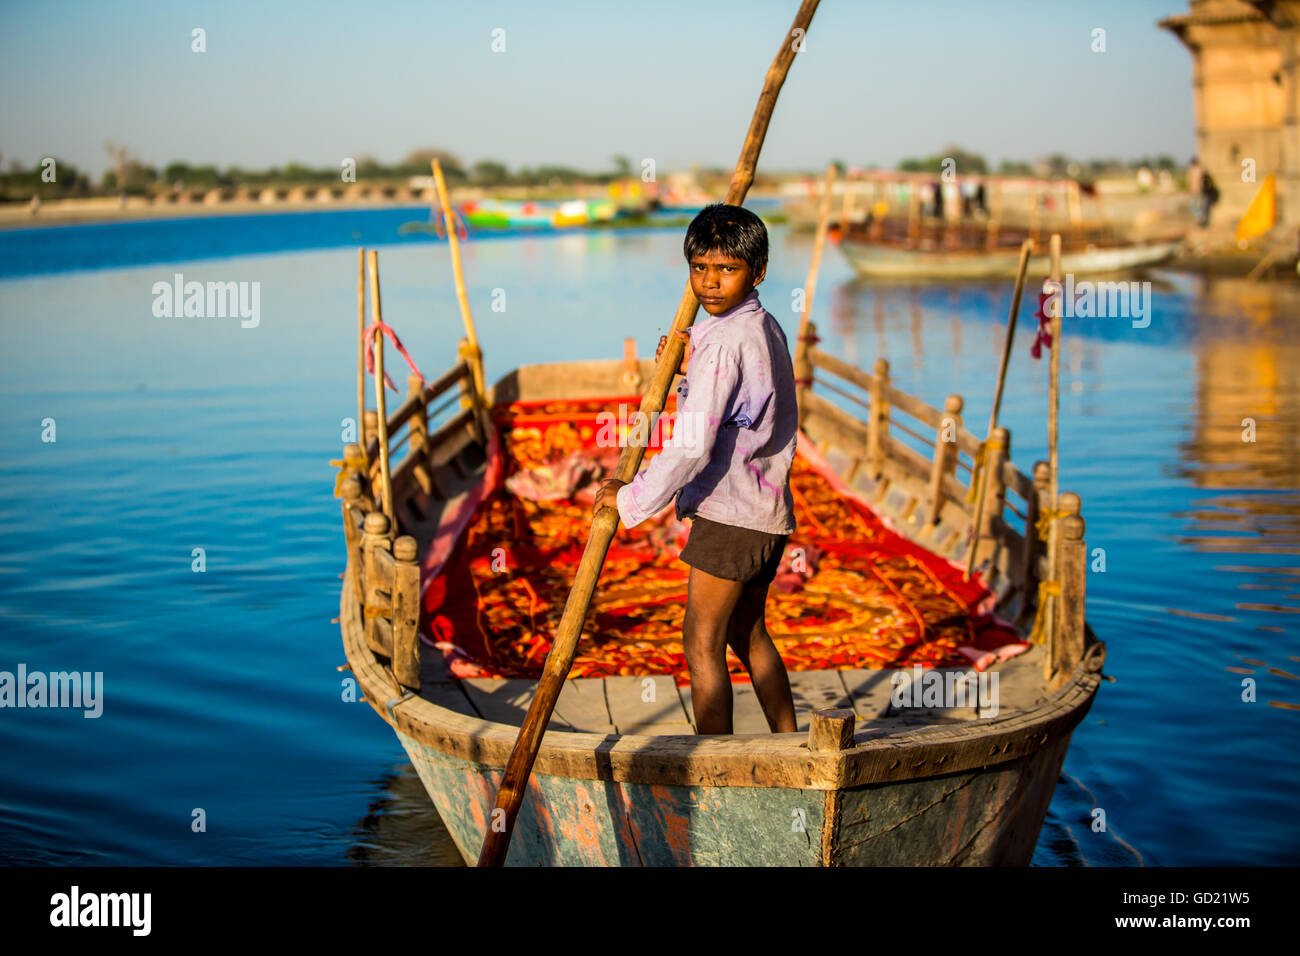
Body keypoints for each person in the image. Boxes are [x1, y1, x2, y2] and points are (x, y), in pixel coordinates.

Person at [592, 204, 798, 735]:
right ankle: (791, 740)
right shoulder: (761, 325)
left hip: (732, 516)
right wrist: (693, 360)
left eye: (726, 269)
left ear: (758, 271)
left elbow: (690, 445)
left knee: (701, 641)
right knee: (746, 635)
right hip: (765, 510)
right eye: (700, 267)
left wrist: (630, 496)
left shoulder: (723, 343)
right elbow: (739, 393)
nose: (710, 282)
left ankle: (713, 762)